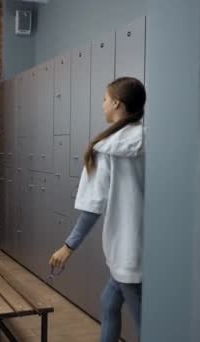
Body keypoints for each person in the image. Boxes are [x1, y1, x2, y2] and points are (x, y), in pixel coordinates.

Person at [49, 77, 146, 342]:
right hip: (142, 246)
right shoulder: (148, 138)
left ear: (116, 103)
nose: (102, 105)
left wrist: (68, 247)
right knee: (109, 302)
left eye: (105, 99)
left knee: (147, 324)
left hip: (127, 251)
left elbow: (93, 207)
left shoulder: (107, 148)